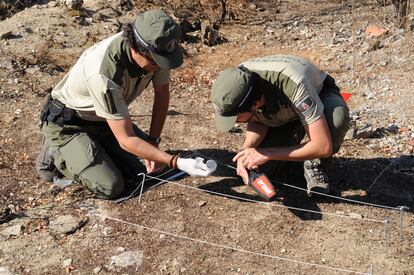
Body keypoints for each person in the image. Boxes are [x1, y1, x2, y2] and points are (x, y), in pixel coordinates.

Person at [35, 10, 214, 199]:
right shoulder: (104, 74)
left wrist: (153, 142)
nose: (160, 67)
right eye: (156, 62)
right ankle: (56, 150)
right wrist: (176, 162)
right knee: (111, 186)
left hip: (104, 120)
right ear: (136, 49)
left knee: (144, 170)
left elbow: (162, 94)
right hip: (70, 124)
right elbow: (126, 139)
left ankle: (98, 150)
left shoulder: (156, 50)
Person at [211, 55, 350, 194]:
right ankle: (294, 140)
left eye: (236, 117)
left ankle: (315, 164)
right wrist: (245, 153)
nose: (235, 122)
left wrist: (267, 153)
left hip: (319, 95)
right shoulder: (241, 81)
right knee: (264, 170)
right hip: (283, 107)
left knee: (337, 120)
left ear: (254, 104)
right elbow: (257, 121)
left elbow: (323, 146)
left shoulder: (296, 86)